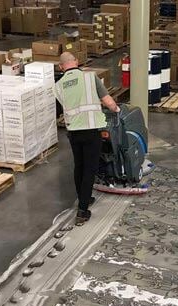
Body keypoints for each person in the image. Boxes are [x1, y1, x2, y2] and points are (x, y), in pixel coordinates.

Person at [55, 52, 121, 224]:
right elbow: (108, 102)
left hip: (73, 133)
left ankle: (84, 198)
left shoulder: (58, 85)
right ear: (76, 61)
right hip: (91, 130)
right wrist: (117, 110)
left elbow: (60, 109)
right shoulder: (90, 78)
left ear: (61, 67)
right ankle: (83, 210)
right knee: (90, 169)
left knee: (79, 165)